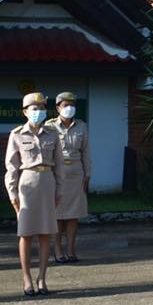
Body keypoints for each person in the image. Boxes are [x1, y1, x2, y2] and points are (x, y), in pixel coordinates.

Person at [5, 92, 65, 298]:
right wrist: (13, 195)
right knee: (26, 233)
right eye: (34, 108)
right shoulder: (16, 134)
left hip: (47, 181)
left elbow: (59, 167)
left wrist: (59, 190)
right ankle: (26, 278)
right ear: (25, 112)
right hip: (27, 184)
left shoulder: (52, 134)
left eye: (41, 108)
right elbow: (11, 168)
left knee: (46, 233)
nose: (38, 112)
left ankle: (42, 278)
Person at [50, 92, 90, 264]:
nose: (69, 108)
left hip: (76, 173)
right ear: (58, 108)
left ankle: (71, 250)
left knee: (74, 214)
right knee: (57, 215)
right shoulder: (50, 126)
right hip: (57, 173)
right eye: (65, 105)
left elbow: (86, 152)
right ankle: (58, 251)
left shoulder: (82, 126)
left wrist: (87, 174)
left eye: (72, 105)